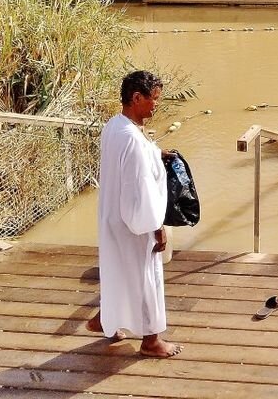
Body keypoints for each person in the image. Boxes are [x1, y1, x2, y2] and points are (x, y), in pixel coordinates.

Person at [86, 70, 183, 358]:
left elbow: (133, 156)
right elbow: (138, 189)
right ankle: (151, 341)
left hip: (113, 217)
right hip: (133, 222)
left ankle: (105, 320)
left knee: (118, 271)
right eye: (153, 100)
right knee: (145, 278)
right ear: (136, 97)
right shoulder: (132, 139)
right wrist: (156, 226)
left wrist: (156, 152)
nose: (156, 105)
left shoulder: (114, 126)